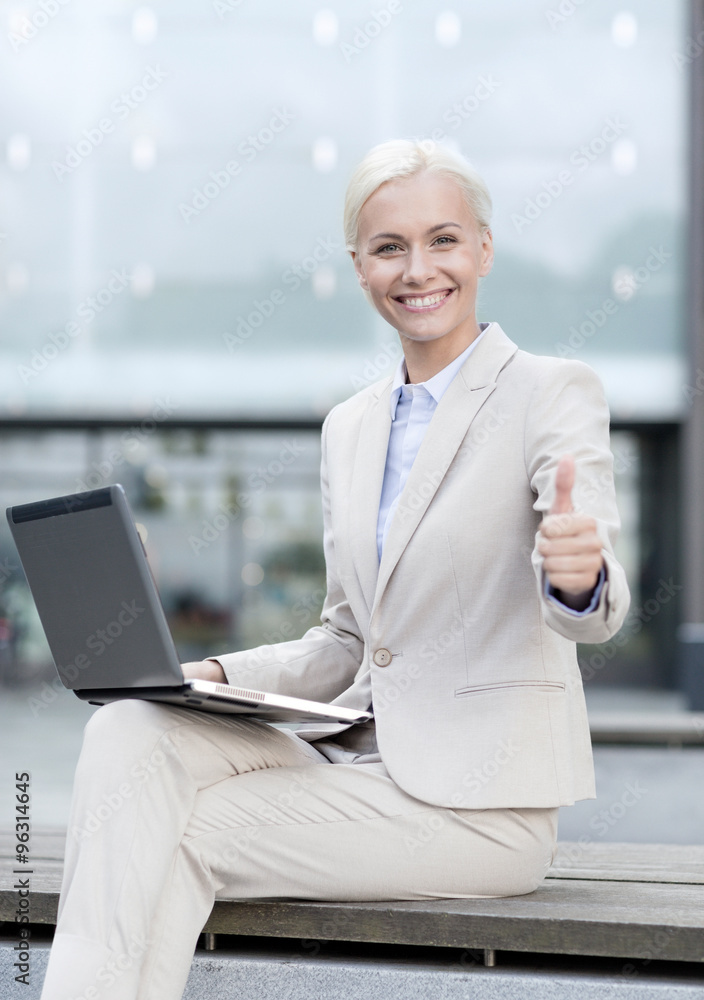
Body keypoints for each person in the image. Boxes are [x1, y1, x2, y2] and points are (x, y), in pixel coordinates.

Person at [40, 139, 630, 1000]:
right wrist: (201, 676)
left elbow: (591, 599)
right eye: (389, 247)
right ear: (358, 266)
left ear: (484, 250)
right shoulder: (349, 429)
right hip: (354, 766)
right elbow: (348, 637)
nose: (417, 269)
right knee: (127, 731)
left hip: (479, 809)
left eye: (443, 240)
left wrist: (577, 576)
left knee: (175, 830)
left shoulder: (551, 391)